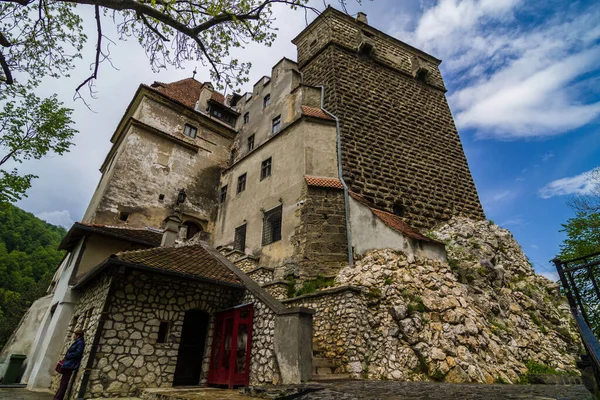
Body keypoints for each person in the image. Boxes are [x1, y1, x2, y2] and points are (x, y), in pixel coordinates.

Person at [54, 329, 85, 400]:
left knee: (64, 383)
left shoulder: (80, 343)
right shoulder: (78, 342)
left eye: (75, 335)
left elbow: (78, 353)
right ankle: (57, 397)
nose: (73, 336)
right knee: (63, 382)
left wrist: (68, 356)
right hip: (69, 364)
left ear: (78, 335)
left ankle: (58, 398)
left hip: (70, 365)